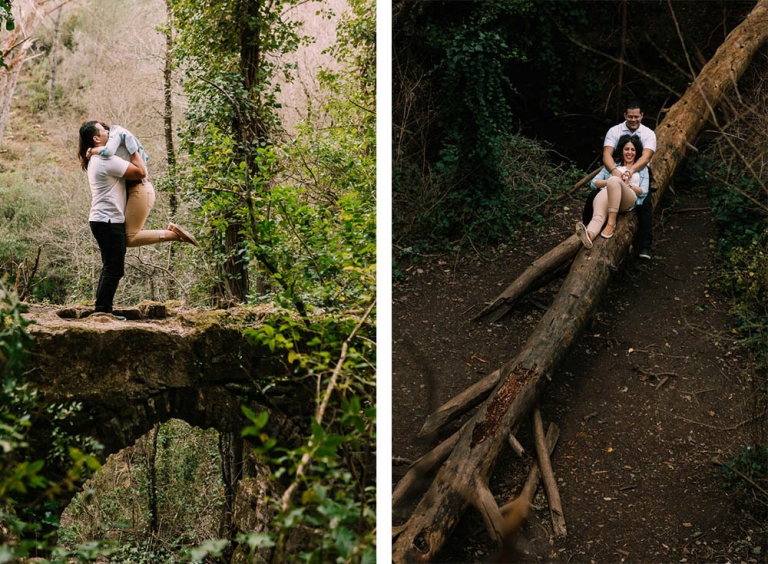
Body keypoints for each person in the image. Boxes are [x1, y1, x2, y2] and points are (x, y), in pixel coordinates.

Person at [78, 120, 198, 319]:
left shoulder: (98, 158)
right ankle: (103, 311)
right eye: (103, 130)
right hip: (107, 220)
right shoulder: (105, 160)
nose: (108, 131)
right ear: (96, 138)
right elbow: (141, 172)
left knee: (111, 266)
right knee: (113, 268)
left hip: (104, 219)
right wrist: (132, 148)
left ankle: (102, 309)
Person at [583, 101, 656, 258]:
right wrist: (615, 172)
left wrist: (630, 172)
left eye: (636, 116)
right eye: (630, 116)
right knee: (593, 197)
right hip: (613, 175)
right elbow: (607, 155)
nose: (633, 119)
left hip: (636, 176)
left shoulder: (648, 134)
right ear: (625, 115)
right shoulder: (614, 131)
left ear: (642, 116)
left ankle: (645, 245)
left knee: (645, 205)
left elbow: (646, 157)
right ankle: (587, 232)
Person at [575, 134, 649, 248]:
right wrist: (610, 181)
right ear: (622, 150)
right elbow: (594, 183)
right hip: (607, 194)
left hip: (627, 199)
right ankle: (589, 235)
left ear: (637, 152)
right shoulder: (613, 166)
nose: (629, 152)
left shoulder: (642, 169)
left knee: (614, 180)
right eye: (626, 149)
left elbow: (643, 192)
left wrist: (627, 184)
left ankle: (611, 223)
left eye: (633, 150)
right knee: (598, 217)